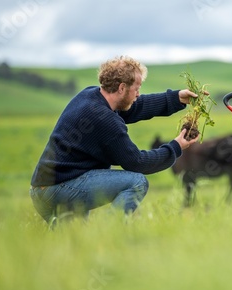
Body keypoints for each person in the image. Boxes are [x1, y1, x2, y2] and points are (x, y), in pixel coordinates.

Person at [30, 55, 200, 224]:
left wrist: (176, 98)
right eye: (136, 89)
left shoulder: (91, 95)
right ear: (121, 88)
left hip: (44, 188)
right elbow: (137, 162)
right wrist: (176, 146)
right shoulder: (105, 120)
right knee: (137, 182)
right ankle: (108, 232)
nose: (138, 94)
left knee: (76, 241)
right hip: (59, 189)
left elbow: (136, 107)